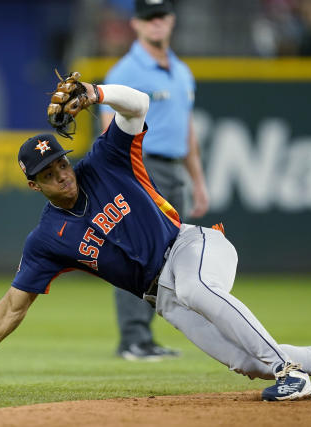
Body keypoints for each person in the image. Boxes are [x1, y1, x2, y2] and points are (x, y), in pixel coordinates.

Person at [0, 81, 311, 401]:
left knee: (196, 289)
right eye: (47, 173)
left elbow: (139, 105)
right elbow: (11, 308)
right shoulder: (47, 240)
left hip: (192, 247)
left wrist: (96, 93)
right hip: (160, 294)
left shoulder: (104, 162)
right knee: (247, 364)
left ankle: (292, 376)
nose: (61, 173)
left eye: (59, 161)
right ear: (33, 184)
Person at [100, 0, 209, 361]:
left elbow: (186, 130)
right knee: (135, 254)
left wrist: (199, 180)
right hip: (140, 167)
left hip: (172, 167)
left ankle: (144, 339)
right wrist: (117, 178)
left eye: (161, 16)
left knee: (164, 257)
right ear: (136, 24)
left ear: (171, 20)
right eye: (149, 18)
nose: (156, 24)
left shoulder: (181, 71)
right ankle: (132, 339)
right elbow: (107, 129)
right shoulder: (126, 69)